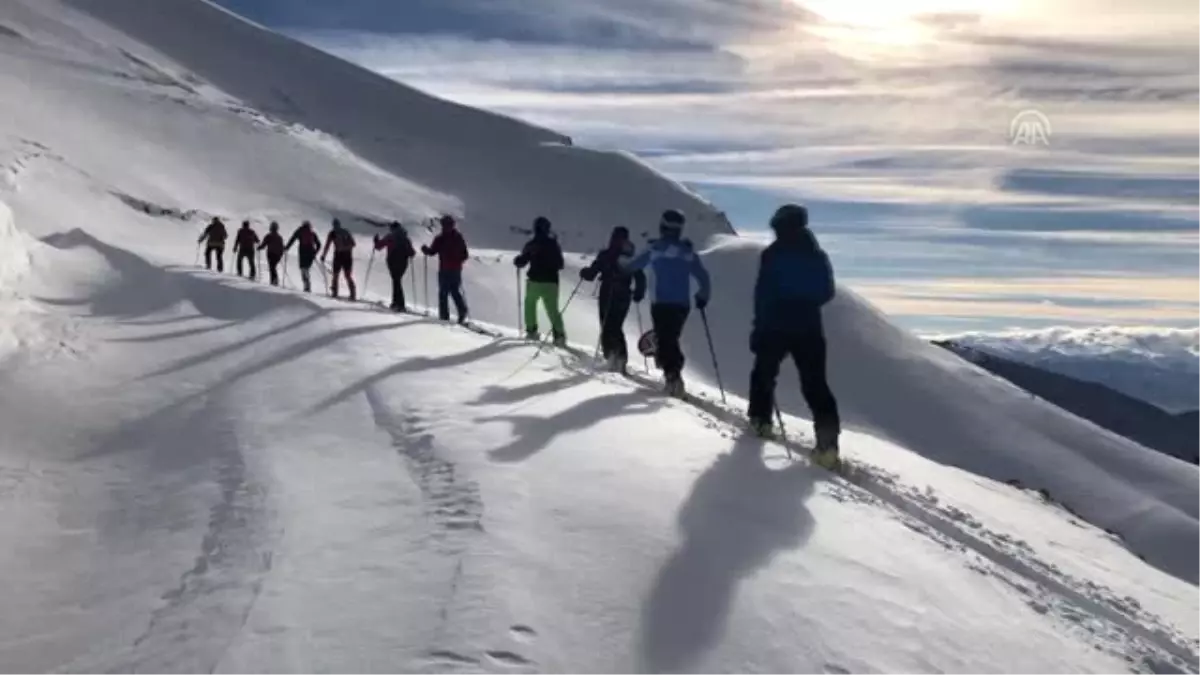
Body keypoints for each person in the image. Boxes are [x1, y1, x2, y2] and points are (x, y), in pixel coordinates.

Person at [747, 203, 841, 469]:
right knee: (815, 384)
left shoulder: (772, 255)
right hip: (809, 327)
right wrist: (804, 302)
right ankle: (828, 442)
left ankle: (760, 421)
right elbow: (827, 291)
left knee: (764, 373)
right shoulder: (816, 255)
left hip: (775, 325)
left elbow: (762, 295)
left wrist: (759, 326)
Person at [624, 209, 711, 397]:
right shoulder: (687, 252)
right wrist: (703, 295)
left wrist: (619, 270)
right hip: (682, 305)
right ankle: (672, 373)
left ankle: (673, 376)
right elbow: (703, 276)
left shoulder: (655, 249)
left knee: (666, 339)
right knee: (669, 338)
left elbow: (634, 265)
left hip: (661, 303)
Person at [581, 226, 646, 372]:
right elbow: (640, 276)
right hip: (624, 294)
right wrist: (638, 293)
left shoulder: (607, 254)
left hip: (608, 291)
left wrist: (585, 273)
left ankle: (610, 357)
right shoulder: (630, 256)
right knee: (616, 325)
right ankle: (620, 359)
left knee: (606, 324)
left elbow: (593, 272)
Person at [514, 216, 567, 345]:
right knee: (552, 309)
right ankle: (559, 335)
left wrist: (518, 261)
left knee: (530, 305)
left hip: (534, 280)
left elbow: (523, 261)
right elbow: (560, 264)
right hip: (551, 282)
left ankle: (532, 331)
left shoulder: (532, 244)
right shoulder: (553, 244)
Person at [421, 215, 469, 323]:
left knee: (444, 293)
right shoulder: (458, 237)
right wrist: (458, 260)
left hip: (445, 269)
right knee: (454, 291)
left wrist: (426, 250)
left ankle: (444, 317)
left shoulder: (441, 238)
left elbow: (432, 252)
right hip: (455, 269)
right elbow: (465, 255)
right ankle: (462, 311)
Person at [374, 221, 416, 311]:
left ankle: (399, 304)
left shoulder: (390, 237)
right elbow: (412, 253)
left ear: (392, 228)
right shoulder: (405, 238)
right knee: (397, 281)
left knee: (396, 281)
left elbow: (378, 247)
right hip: (403, 263)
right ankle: (397, 303)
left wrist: (376, 241)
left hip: (392, 262)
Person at [321, 218, 357, 300]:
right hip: (347, 256)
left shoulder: (332, 233)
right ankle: (353, 293)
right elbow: (353, 244)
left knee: (336, 274)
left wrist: (323, 255)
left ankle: (335, 292)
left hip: (338, 255)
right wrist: (346, 248)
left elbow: (327, 245)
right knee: (347, 275)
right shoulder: (345, 232)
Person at [285, 220, 321, 293]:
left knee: (303, 268)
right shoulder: (312, 233)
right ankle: (307, 285)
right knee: (306, 268)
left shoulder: (300, 231)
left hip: (302, 251)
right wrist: (315, 253)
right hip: (310, 252)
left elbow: (293, 239)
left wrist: (286, 247)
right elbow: (319, 244)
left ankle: (306, 285)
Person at [258, 222, 285, 286]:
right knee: (273, 267)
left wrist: (259, 248)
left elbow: (264, 245)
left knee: (272, 267)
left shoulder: (268, 236)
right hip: (277, 255)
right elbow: (282, 247)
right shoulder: (279, 237)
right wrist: (281, 255)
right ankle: (274, 280)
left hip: (270, 254)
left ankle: (273, 281)